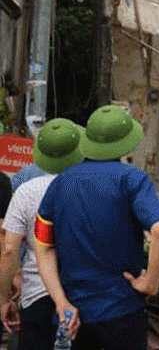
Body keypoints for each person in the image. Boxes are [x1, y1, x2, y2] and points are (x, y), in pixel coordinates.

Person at [35, 105, 159, 350]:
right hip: (122, 310)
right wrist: (151, 282)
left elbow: (43, 247)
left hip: (72, 314)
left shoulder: (59, 183)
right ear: (127, 143)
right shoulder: (133, 179)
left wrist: (60, 301)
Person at [0, 118, 85, 349]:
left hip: (35, 294)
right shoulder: (88, 188)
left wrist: (4, 297)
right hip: (81, 293)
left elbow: (9, 248)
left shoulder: (26, 191)